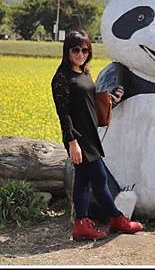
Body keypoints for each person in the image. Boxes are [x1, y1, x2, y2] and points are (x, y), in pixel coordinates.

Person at [51, 29, 143, 241]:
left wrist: (111, 99)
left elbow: (89, 102)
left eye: (85, 50)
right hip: (78, 138)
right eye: (76, 50)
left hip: (90, 134)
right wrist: (72, 142)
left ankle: (81, 224)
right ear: (67, 51)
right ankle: (117, 218)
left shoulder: (84, 73)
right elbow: (63, 113)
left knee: (83, 181)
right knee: (99, 178)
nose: (81, 54)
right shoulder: (61, 78)